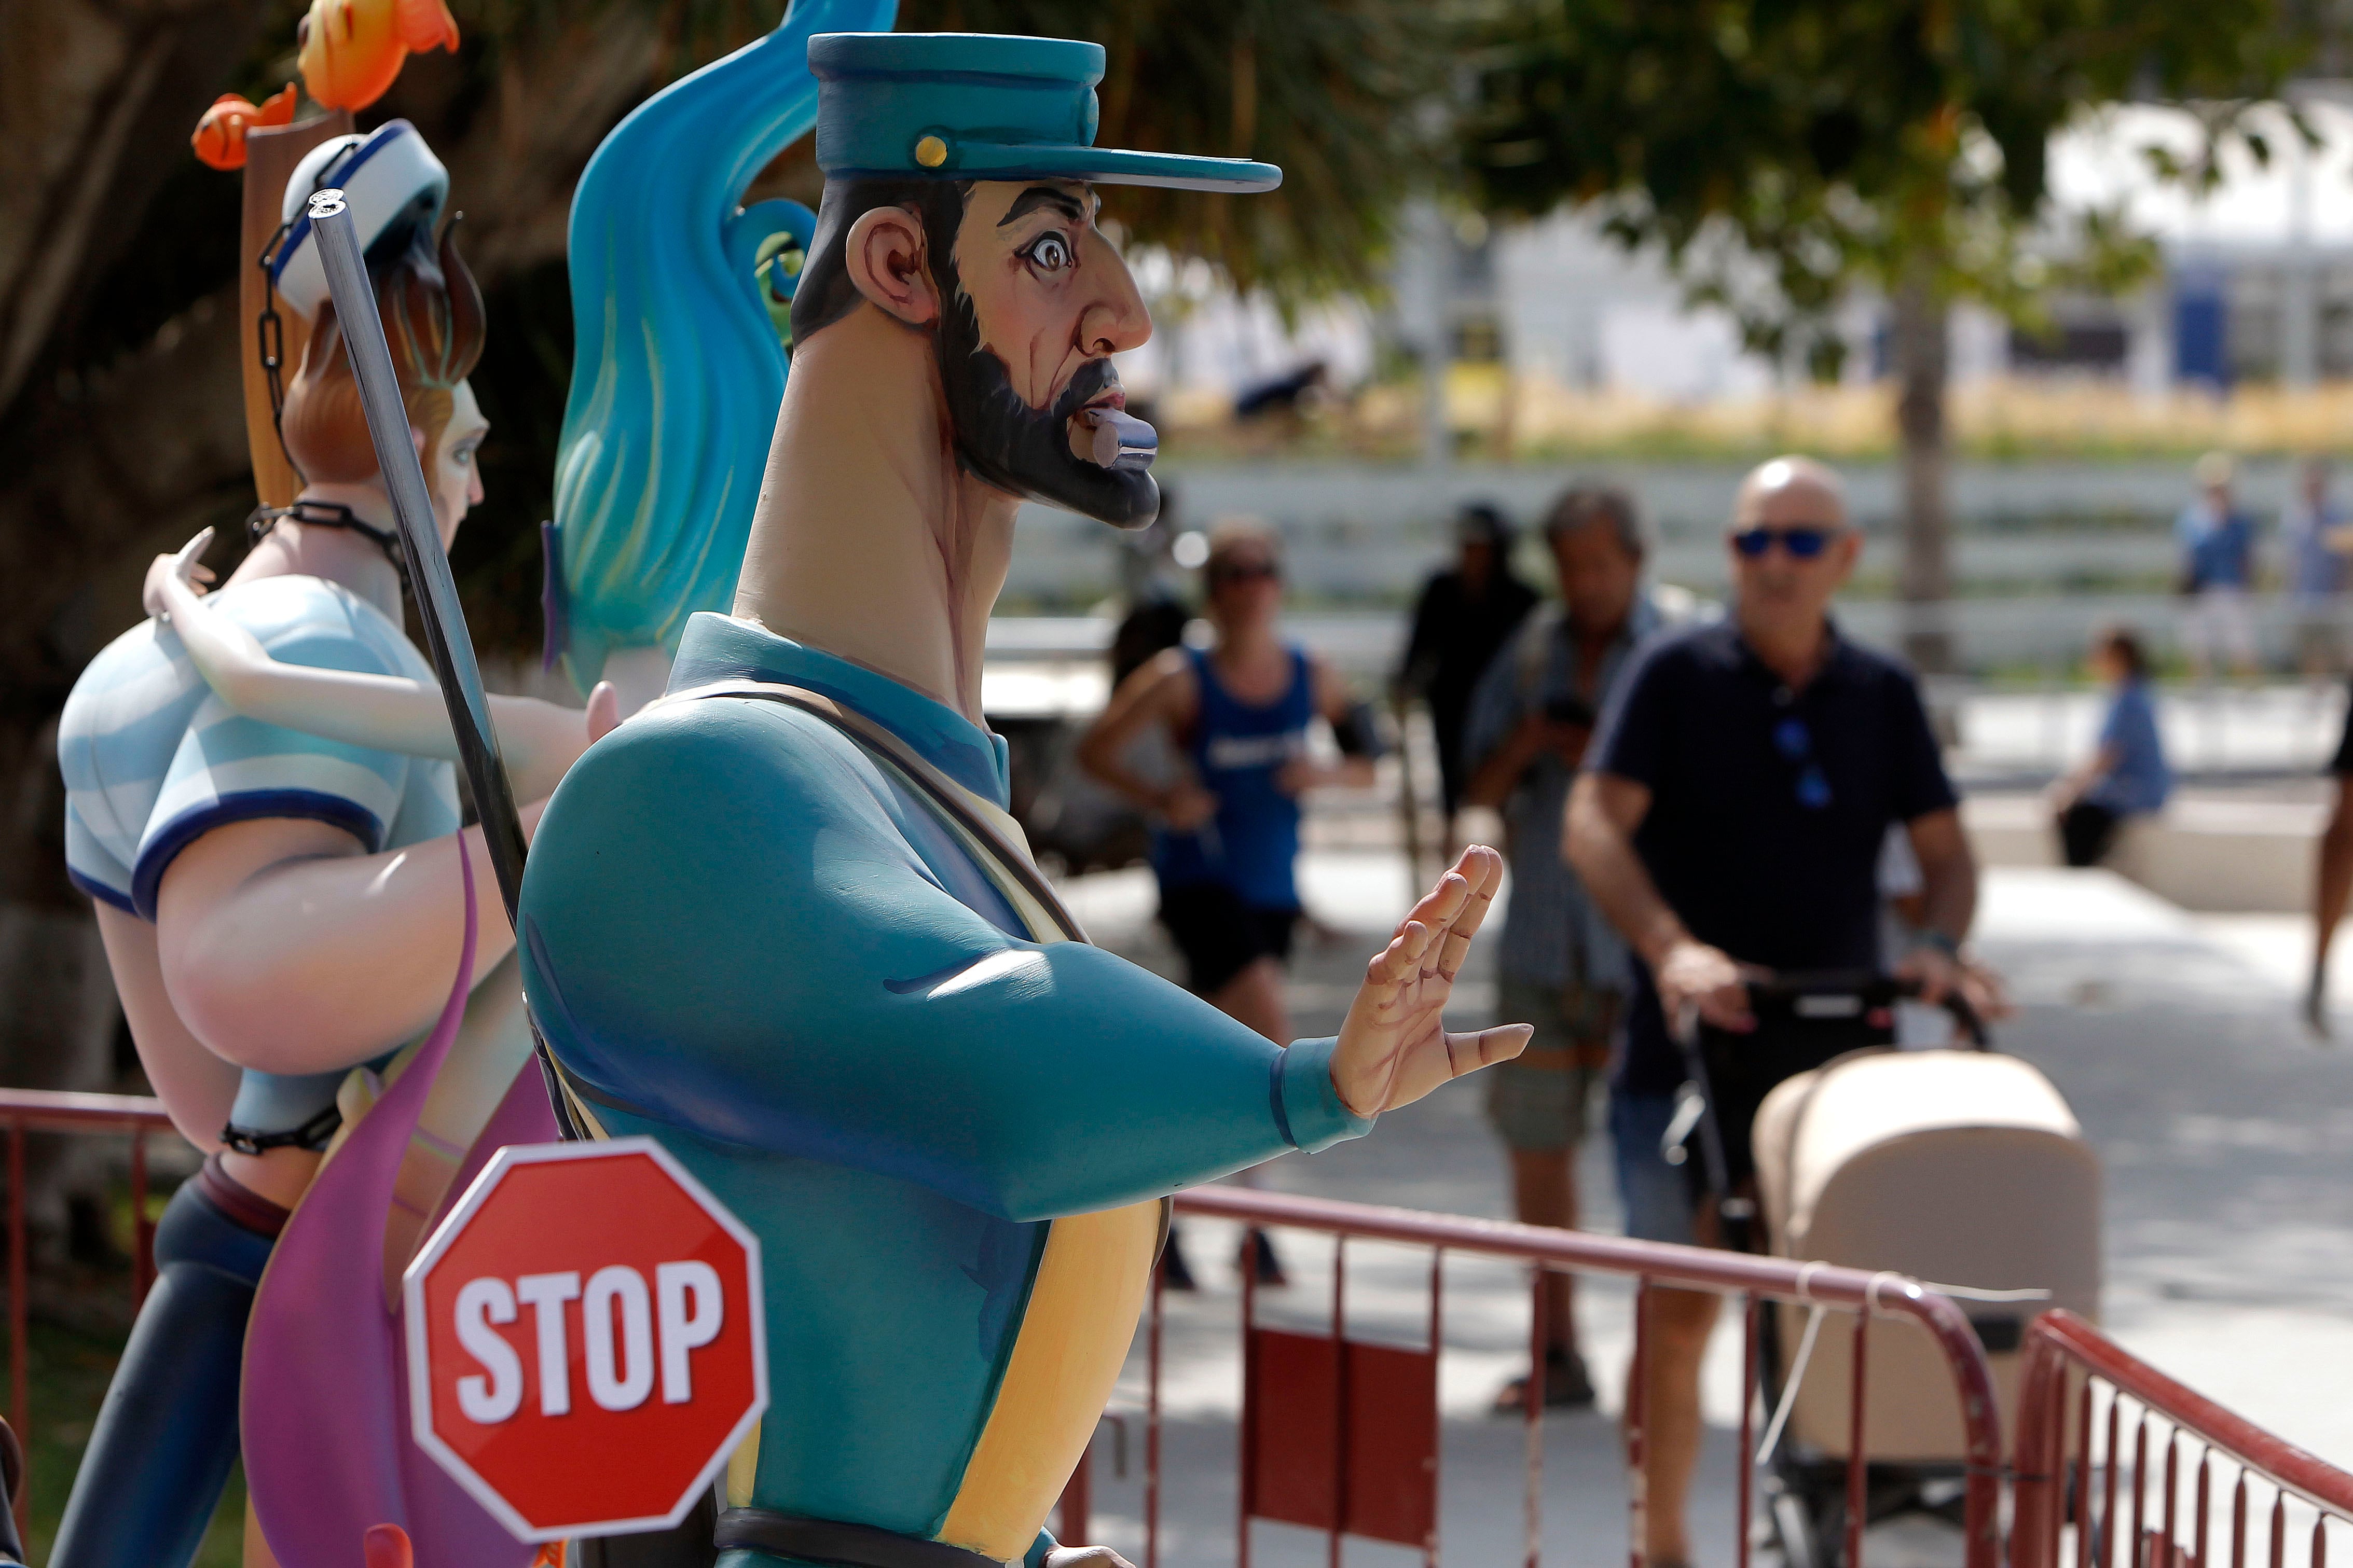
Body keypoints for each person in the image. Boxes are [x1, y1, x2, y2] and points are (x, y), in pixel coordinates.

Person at [516, 34, 1531, 1568]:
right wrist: (1298, 1086)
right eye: (1050, 245)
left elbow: (941, 1273)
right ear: (893, 264)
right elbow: (973, 1058)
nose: (1120, 310)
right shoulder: (687, 790)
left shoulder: (904, 793)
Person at [51, 124, 594, 1567]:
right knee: (570, 877)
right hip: (304, 1076)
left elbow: (286, 695)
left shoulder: (380, 665)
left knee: (250, 1251)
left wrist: (182, 607)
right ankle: (412, 1197)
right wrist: (207, 626)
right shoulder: (491, 717)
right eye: (463, 447)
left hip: (258, 1102)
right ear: (414, 437)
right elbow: (313, 703)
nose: (474, 485)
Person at [1565, 454, 1998, 1568]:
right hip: (1685, 1056)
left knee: (1843, 1321)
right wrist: (1673, 948)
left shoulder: (1880, 691)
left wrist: (1940, 949)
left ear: (1843, 559)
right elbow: (1591, 824)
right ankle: (1659, 1547)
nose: (1772, 563)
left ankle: (1831, 1526)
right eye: (1753, 540)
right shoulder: (1671, 673)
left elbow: (1945, 856)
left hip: (1838, 1072)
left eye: (1800, 542)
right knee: (1678, 1315)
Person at [1078, 521, 1380, 1284]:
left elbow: (1366, 759)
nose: (1250, 587)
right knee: (1268, 1024)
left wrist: (1326, 776)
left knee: (1209, 1061)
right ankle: (1259, 1227)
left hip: (1270, 886)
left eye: (1262, 571)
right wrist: (1160, 796)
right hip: (1199, 878)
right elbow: (1094, 750)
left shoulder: (1312, 675)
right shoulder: (1180, 677)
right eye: (1234, 574)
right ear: (1212, 593)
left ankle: (1162, 1211)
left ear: (1279, 585)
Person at [1457, 484, 1662, 1411]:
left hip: (1640, 952)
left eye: (1601, 566)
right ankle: (1557, 1348)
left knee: (1656, 1159)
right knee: (1538, 1153)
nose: (1586, 584)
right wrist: (1536, 737)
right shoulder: (1534, 650)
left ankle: (1666, 1359)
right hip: (1542, 944)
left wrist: (1610, 765)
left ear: (1636, 560)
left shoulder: (1675, 652)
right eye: (1571, 566)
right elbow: (1479, 780)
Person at [1398, 502, 1541, 843]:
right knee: (1448, 796)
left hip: (1506, 713)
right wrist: (1405, 686)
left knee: (1509, 796)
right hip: (1450, 707)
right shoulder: (1441, 590)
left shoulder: (1522, 598)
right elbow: (1418, 647)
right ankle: (1445, 885)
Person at [2049, 627, 2170, 868]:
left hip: (2137, 791)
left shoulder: (2129, 699)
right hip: (2130, 788)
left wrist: (2068, 789)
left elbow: (2106, 756)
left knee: (2076, 816)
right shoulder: (2129, 693)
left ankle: (2082, 881)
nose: (2093, 659)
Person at [2176, 450, 2259, 682]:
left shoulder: (2240, 520)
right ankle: (2204, 688)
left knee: (2241, 646)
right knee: (2199, 648)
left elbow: (2247, 557)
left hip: (2232, 589)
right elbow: (2187, 556)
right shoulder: (2192, 520)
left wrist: (2248, 587)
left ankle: (2247, 686)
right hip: (2201, 591)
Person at [2282, 457, 2350, 685]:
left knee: (2335, 649)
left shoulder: (2337, 516)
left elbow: (2345, 558)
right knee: (2308, 649)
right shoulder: (2295, 517)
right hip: (2304, 595)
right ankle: (2314, 693)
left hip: (2332, 595)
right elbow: (2292, 559)